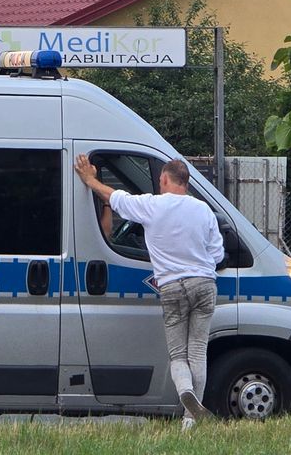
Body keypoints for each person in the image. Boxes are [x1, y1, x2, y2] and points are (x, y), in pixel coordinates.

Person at [74, 154, 224, 429]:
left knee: (178, 355)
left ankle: (184, 392)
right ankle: (191, 420)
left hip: (171, 286)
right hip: (204, 284)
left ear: (164, 179)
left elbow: (116, 196)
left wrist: (90, 180)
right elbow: (217, 253)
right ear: (187, 182)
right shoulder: (203, 210)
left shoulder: (153, 205)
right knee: (198, 351)